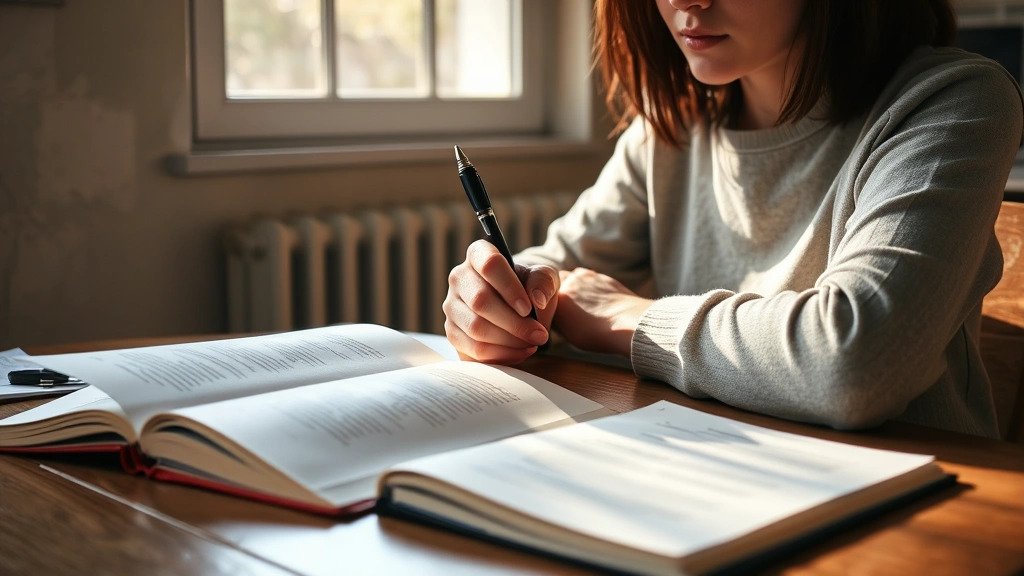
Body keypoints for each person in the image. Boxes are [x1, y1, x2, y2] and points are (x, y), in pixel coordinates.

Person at [443, 0, 1024, 438]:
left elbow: (855, 363)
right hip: (710, 474)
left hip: (914, 509)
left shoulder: (953, 100)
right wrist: (499, 300)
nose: (686, 0)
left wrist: (631, 319)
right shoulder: (668, 131)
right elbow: (559, 268)